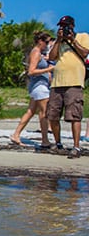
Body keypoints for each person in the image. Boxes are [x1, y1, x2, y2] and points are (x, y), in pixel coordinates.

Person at [47, 15, 89, 159]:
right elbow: (51, 57)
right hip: (57, 83)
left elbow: (84, 52)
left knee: (74, 116)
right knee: (52, 115)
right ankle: (58, 144)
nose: (63, 29)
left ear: (72, 26)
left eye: (65, 26)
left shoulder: (83, 36)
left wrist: (72, 40)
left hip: (75, 82)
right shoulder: (58, 42)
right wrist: (58, 41)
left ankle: (76, 147)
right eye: (61, 26)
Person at [10, 32, 54, 148]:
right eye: (46, 42)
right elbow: (31, 71)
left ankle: (16, 134)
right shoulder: (35, 52)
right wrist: (48, 69)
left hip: (37, 85)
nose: (48, 44)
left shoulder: (39, 53)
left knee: (30, 111)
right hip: (39, 86)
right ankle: (45, 140)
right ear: (40, 41)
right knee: (44, 113)